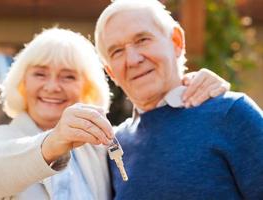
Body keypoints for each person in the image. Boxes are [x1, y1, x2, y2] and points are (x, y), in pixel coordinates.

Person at [0, 27, 229, 199]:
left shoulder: (100, 147)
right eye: (40, 74)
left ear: (87, 88)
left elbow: (150, 133)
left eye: (68, 76)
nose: (52, 86)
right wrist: (55, 141)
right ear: (22, 83)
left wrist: (188, 86)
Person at [94, 0, 263, 199]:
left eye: (142, 40)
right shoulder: (117, 145)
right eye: (117, 51)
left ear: (176, 41)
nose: (132, 59)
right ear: (111, 72)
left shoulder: (231, 113)